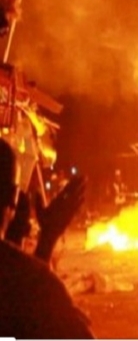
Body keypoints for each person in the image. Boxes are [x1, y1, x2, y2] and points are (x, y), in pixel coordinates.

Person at [0, 138, 94, 338]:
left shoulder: (25, 282)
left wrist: (45, 243)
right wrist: (48, 237)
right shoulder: (30, 281)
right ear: (14, 198)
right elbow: (28, 297)